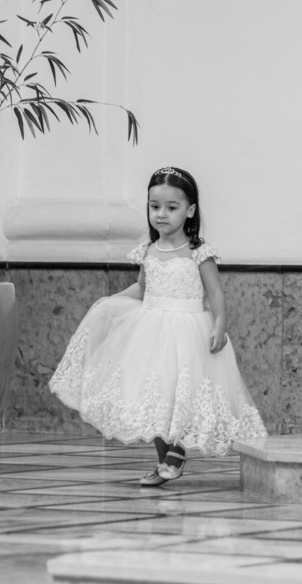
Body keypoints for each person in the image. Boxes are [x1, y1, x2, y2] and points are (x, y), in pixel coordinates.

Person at [49, 166, 267, 486]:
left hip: (188, 331)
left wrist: (220, 324)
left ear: (189, 211)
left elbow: (215, 292)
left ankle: (176, 451)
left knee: (181, 392)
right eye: (154, 206)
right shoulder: (148, 250)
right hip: (151, 330)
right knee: (153, 395)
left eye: (171, 207)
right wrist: (111, 303)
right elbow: (142, 288)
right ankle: (164, 455)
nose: (161, 214)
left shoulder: (198, 252)